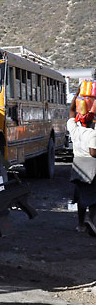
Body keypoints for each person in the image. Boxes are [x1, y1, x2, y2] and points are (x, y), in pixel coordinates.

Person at [67, 93, 96, 236]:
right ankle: (90, 219)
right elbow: (93, 152)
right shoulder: (92, 134)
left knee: (80, 196)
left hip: (77, 166)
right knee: (94, 197)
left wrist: (77, 94)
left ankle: (80, 225)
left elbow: (71, 111)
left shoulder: (74, 129)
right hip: (91, 167)